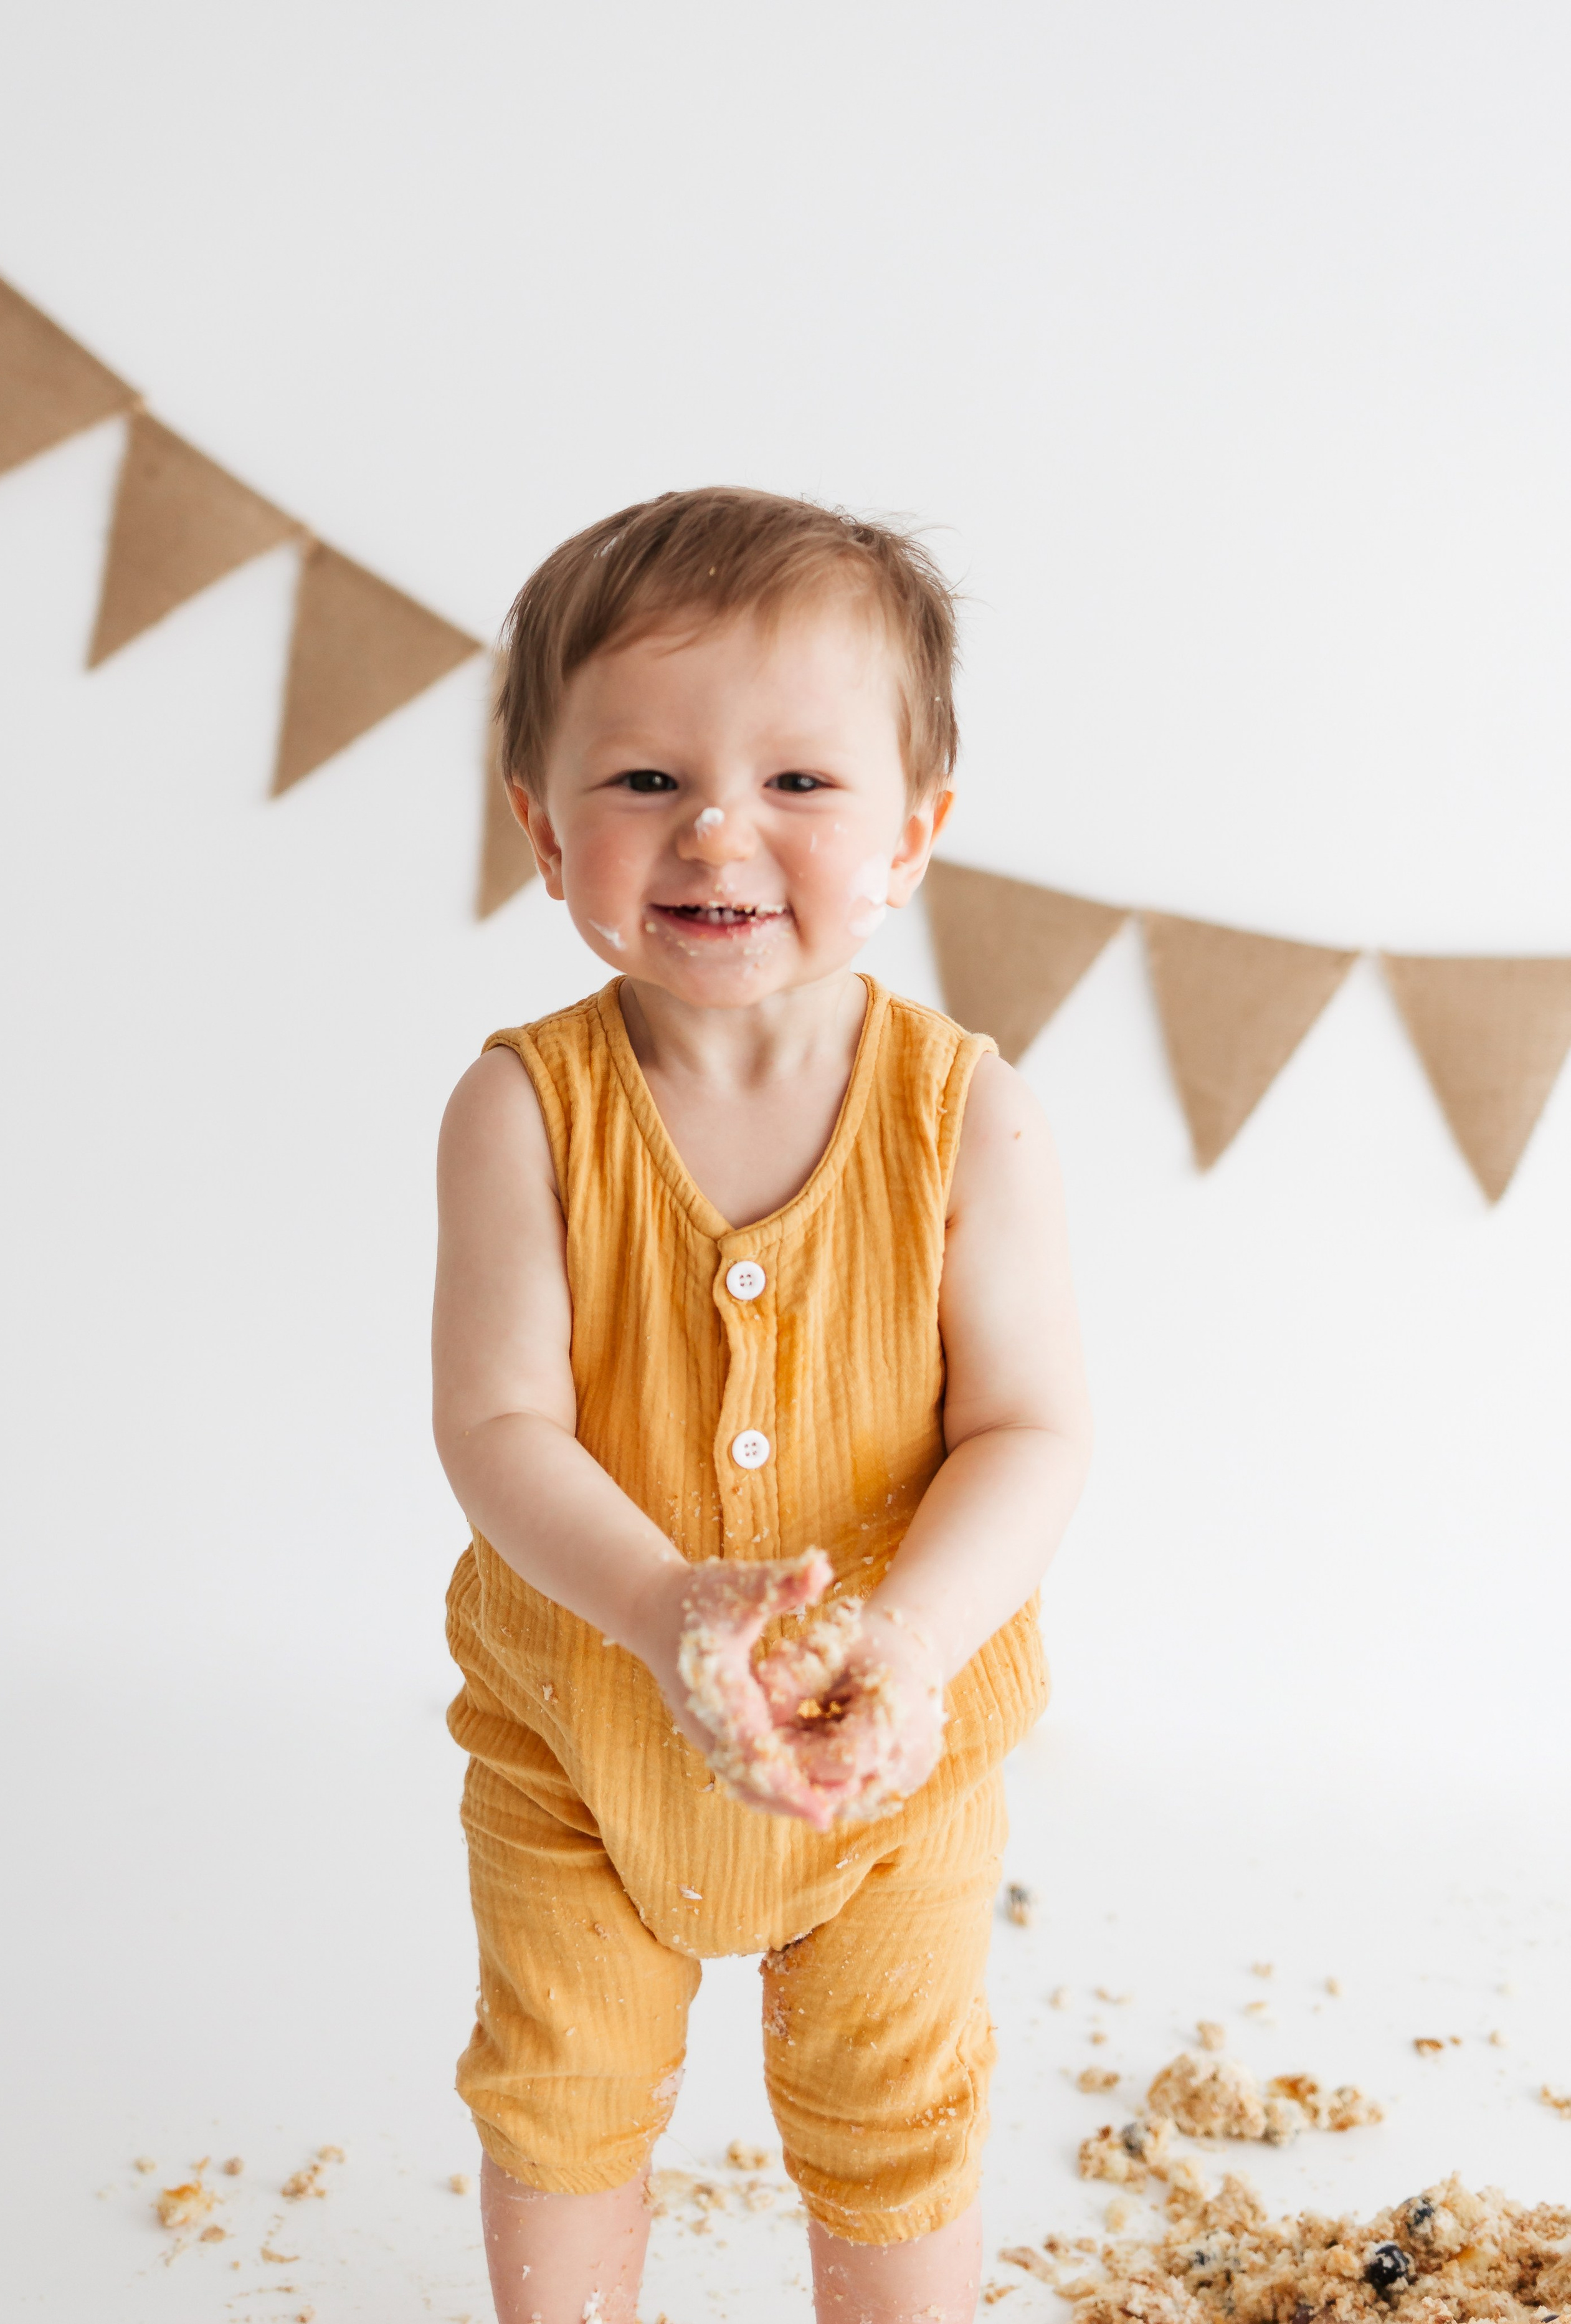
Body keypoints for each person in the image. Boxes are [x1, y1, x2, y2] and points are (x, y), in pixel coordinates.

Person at [432, 487, 1092, 2324]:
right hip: (585, 1729)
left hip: (897, 1740)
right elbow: (498, 1426)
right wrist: (659, 1610)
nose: (718, 827)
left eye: (800, 782)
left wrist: (912, 1637)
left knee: (891, 2096)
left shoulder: (966, 1113)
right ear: (540, 826)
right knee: (560, 2084)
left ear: (917, 831)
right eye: (644, 780)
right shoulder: (520, 1113)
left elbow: (1029, 1427)